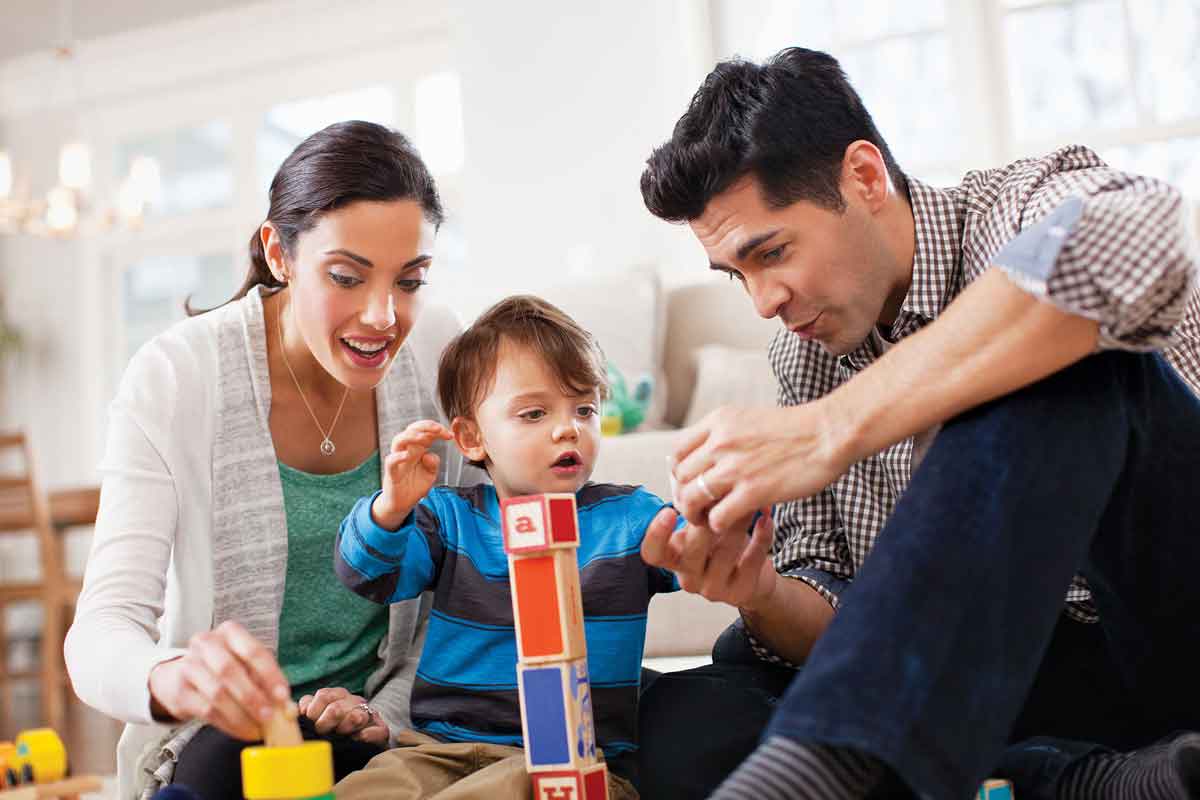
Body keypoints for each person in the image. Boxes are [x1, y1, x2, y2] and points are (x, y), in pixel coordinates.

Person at [635, 47, 1200, 800]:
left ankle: (856, 764)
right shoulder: (804, 360)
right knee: (696, 701)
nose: (762, 300)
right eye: (737, 275)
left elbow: (1136, 239)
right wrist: (760, 590)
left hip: (1169, 622)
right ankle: (1095, 781)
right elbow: (854, 631)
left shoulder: (1012, 212)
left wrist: (830, 430)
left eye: (771, 253)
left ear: (865, 177)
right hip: (1018, 677)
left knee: (1062, 348)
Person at [65, 121, 475, 800]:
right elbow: (100, 633)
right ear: (278, 254)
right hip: (224, 743)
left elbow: (467, 588)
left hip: (395, 725)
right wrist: (179, 677)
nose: (382, 316)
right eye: (346, 277)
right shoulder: (177, 375)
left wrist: (385, 713)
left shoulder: (437, 350)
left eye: (410, 280)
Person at [330, 295, 691, 799]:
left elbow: (693, 553)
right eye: (535, 413)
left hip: (576, 763)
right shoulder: (449, 519)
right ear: (473, 438)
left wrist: (712, 516)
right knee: (366, 789)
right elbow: (367, 575)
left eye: (584, 408)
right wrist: (389, 509)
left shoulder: (628, 518)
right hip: (436, 750)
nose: (569, 427)